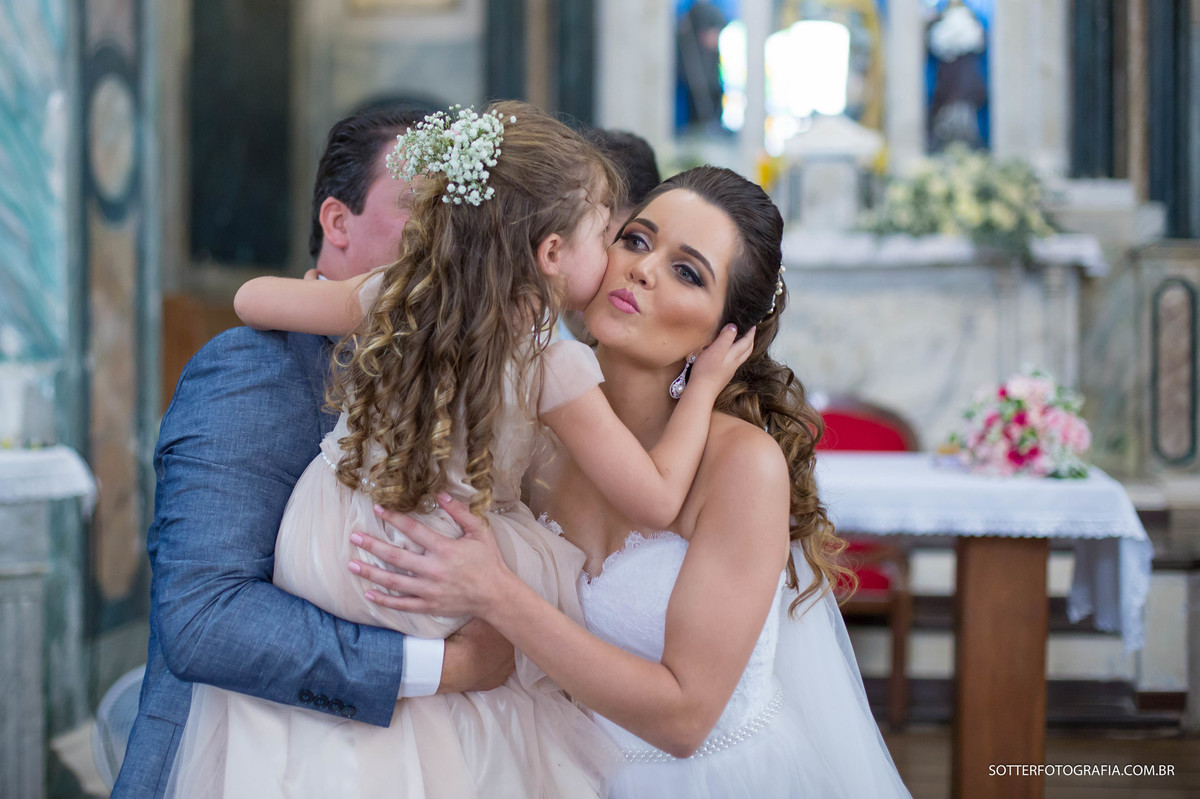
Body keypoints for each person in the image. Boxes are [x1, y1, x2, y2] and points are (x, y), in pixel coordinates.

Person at [166, 103, 752, 798]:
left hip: (328, 539)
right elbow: (656, 496)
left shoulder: (397, 294)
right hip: (427, 555)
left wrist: (378, 289)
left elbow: (252, 298)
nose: (622, 260)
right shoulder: (551, 366)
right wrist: (708, 383)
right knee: (498, 713)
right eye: (610, 234)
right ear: (554, 254)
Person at [357, 166, 914, 798]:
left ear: (724, 332)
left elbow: (685, 720)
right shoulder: (530, 435)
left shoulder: (741, 466)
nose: (643, 269)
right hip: (552, 770)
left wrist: (497, 593)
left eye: (687, 271)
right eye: (637, 240)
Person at [113, 104, 514, 799]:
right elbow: (205, 616)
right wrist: (444, 665)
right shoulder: (254, 366)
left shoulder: (461, 375)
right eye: (425, 208)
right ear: (337, 222)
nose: (452, 238)